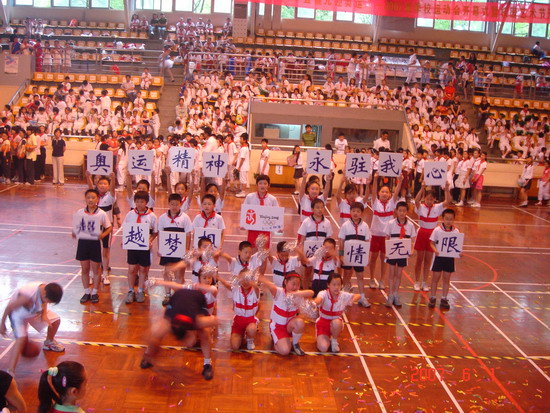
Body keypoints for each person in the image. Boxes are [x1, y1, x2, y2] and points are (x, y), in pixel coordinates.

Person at [140, 287, 218, 380]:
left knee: (205, 332)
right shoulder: (168, 323)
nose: (188, 345)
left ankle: (207, 364)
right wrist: (150, 353)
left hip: (197, 299)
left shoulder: (199, 321)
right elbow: (149, 336)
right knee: (156, 335)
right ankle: (147, 356)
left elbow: (216, 320)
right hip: (177, 299)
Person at [0, 282, 65, 375]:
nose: (49, 303)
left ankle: (49, 343)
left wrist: (44, 314)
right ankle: (10, 371)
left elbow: (44, 302)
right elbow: (9, 308)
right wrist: (2, 324)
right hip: (18, 315)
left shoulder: (46, 290)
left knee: (56, 320)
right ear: (44, 295)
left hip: (33, 312)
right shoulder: (27, 296)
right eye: (49, 301)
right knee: (21, 339)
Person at [259, 272, 314, 356]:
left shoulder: (298, 295)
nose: (295, 287)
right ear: (285, 282)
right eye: (293, 284)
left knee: (300, 322)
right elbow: (269, 285)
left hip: (289, 326)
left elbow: (311, 292)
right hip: (277, 327)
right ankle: (276, 341)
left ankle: (295, 344)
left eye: (298, 285)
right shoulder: (279, 292)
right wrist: (257, 276)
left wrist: (295, 294)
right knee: (285, 351)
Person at [73, 189, 112, 304]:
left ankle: (94, 292)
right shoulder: (80, 212)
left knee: (96, 269)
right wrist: (75, 232)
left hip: (94, 244)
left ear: (97, 199)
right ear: (85, 199)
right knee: (84, 269)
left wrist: (103, 235)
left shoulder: (101, 213)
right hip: (83, 243)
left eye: (93, 197)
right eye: (88, 197)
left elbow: (109, 227)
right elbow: (76, 227)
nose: (90, 200)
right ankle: (86, 292)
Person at [413, 183, 451, 292]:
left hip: (432, 235)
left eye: (431, 199)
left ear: (434, 199)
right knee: (419, 259)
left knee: (428, 260)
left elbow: (448, 201)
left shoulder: (437, 207)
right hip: (421, 234)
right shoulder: (421, 207)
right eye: (427, 199)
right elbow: (416, 201)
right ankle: (417, 281)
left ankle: (424, 281)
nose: (429, 201)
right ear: (424, 198)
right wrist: (422, 188)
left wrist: (446, 189)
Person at [158, 193, 193, 306]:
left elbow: (188, 234)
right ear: (168, 204)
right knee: (167, 272)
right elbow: (160, 234)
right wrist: (160, 248)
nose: (174, 207)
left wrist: (187, 249)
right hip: (167, 250)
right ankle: (168, 295)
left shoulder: (185, 218)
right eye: (172, 204)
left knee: (179, 275)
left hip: (180, 251)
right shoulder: (162, 218)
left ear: (180, 204)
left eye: (176, 204)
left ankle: (178, 296)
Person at [123, 191, 158, 304]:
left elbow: (155, 232)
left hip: (144, 248)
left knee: (143, 269)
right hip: (133, 247)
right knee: (132, 269)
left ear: (146, 202)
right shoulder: (130, 214)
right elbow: (126, 229)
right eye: (137, 201)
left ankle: (141, 290)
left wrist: (150, 240)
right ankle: (130, 290)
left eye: (142, 202)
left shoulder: (152, 216)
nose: (139, 204)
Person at [369, 172, 402, 290]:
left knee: (384, 258)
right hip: (375, 234)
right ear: (379, 193)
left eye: (386, 192)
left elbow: (397, 192)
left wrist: (400, 180)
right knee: (373, 258)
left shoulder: (392, 203)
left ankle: (382, 280)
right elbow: (373, 191)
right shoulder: (375, 202)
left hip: (386, 236)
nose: (384, 193)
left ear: (389, 195)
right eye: (382, 191)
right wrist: (375, 179)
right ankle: (372, 278)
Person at [313, 273, 360, 353]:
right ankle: (324, 335)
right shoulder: (323, 293)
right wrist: (314, 303)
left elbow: (358, 295)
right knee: (323, 348)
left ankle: (334, 340)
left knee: (337, 322)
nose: (336, 287)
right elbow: (319, 299)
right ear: (328, 285)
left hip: (335, 324)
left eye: (339, 285)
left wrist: (351, 301)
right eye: (334, 285)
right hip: (323, 323)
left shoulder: (342, 295)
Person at [217, 269, 260, 350]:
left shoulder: (255, 291)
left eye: (247, 279)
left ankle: (250, 339)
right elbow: (226, 284)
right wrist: (217, 277)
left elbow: (256, 287)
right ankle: (242, 334)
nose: (245, 282)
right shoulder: (236, 290)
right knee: (235, 346)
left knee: (251, 329)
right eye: (242, 279)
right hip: (238, 320)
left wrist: (252, 280)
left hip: (250, 320)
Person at [338, 202, 371, 307]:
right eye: (353, 211)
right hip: (348, 255)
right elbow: (341, 241)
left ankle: (362, 297)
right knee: (347, 275)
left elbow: (367, 242)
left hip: (359, 255)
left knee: (360, 276)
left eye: (358, 211)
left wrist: (367, 256)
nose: (355, 213)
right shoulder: (345, 225)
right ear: (350, 212)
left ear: (362, 213)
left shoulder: (365, 226)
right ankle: (345, 297)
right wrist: (341, 255)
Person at [384, 201, 417, 307]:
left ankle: (395, 294)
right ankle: (390, 295)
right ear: (396, 211)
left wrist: (412, 250)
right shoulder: (390, 223)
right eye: (400, 210)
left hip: (402, 253)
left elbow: (413, 239)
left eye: (404, 211)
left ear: (407, 212)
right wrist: (387, 251)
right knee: (391, 273)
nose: (402, 213)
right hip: (392, 252)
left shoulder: (410, 225)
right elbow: (387, 237)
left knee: (398, 274)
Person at [86, 173, 117, 285]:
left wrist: (113, 178)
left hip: (107, 228)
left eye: (105, 184)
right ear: (97, 185)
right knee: (92, 251)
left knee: (105, 251)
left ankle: (105, 274)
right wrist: (88, 177)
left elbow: (113, 189)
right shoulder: (94, 197)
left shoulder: (110, 197)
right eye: (100, 183)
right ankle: (91, 274)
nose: (102, 185)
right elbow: (90, 189)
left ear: (108, 186)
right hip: (94, 226)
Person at [429, 209, 461, 310]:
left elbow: (457, 246)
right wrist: (435, 250)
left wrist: (459, 253)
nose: (448, 221)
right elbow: (431, 243)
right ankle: (433, 297)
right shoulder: (437, 230)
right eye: (447, 219)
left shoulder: (456, 231)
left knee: (446, 279)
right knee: (435, 278)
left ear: (454, 220)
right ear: (443, 219)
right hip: (438, 258)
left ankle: (444, 298)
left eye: (451, 219)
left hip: (449, 258)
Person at [297, 198, 333, 288]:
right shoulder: (306, 222)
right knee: (307, 272)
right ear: (312, 209)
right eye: (317, 207)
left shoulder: (327, 223)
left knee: (319, 271)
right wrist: (302, 253)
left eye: (322, 207)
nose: (320, 209)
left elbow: (328, 239)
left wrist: (328, 252)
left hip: (322, 252)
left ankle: (318, 290)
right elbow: (302, 239)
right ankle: (306, 291)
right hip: (309, 252)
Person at [243, 174, 279, 247]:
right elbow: (244, 212)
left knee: (264, 250)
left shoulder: (272, 199)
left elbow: (277, 215)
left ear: (269, 185)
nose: (262, 186)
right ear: (256, 185)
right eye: (260, 183)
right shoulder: (249, 197)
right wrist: (243, 224)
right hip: (252, 229)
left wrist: (278, 226)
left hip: (266, 229)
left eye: (265, 183)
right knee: (252, 249)